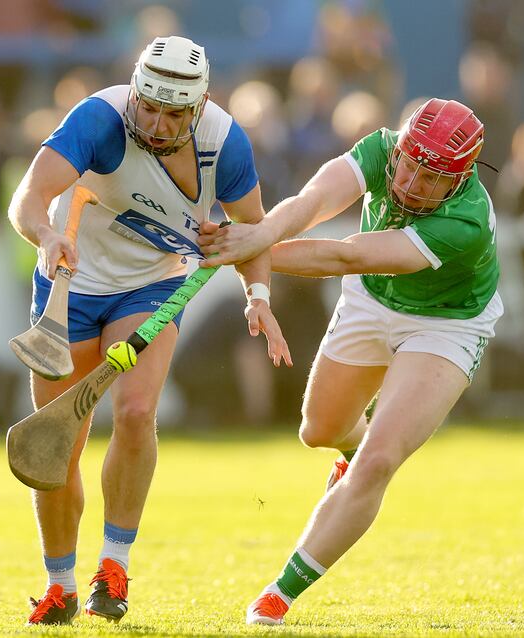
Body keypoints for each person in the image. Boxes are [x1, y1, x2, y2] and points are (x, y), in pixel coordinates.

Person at [7, 35, 291, 626]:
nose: (158, 123)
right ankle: (58, 583)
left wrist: (257, 295)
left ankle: (113, 567)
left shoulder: (224, 143)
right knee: (58, 444)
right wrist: (46, 234)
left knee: (136, 412)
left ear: (200, 104)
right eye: (149, 105)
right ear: (135, 92)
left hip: (153, 286)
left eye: (175, 112)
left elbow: (253, 232)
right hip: (71, 282)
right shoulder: (99, 119)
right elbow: (27, 197)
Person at [198, 98, 502, 625]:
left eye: (432, 177)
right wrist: (253, 238)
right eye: (409, 163)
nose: (411, 183)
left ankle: (279, 594)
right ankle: (355, 456)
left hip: (446, 324)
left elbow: (349, 254)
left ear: (461, 178)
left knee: (379, 461)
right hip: (371, 301)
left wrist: (245, 250)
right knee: (319, 430)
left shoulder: (465, 222)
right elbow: (312, 200)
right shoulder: (380, 148)